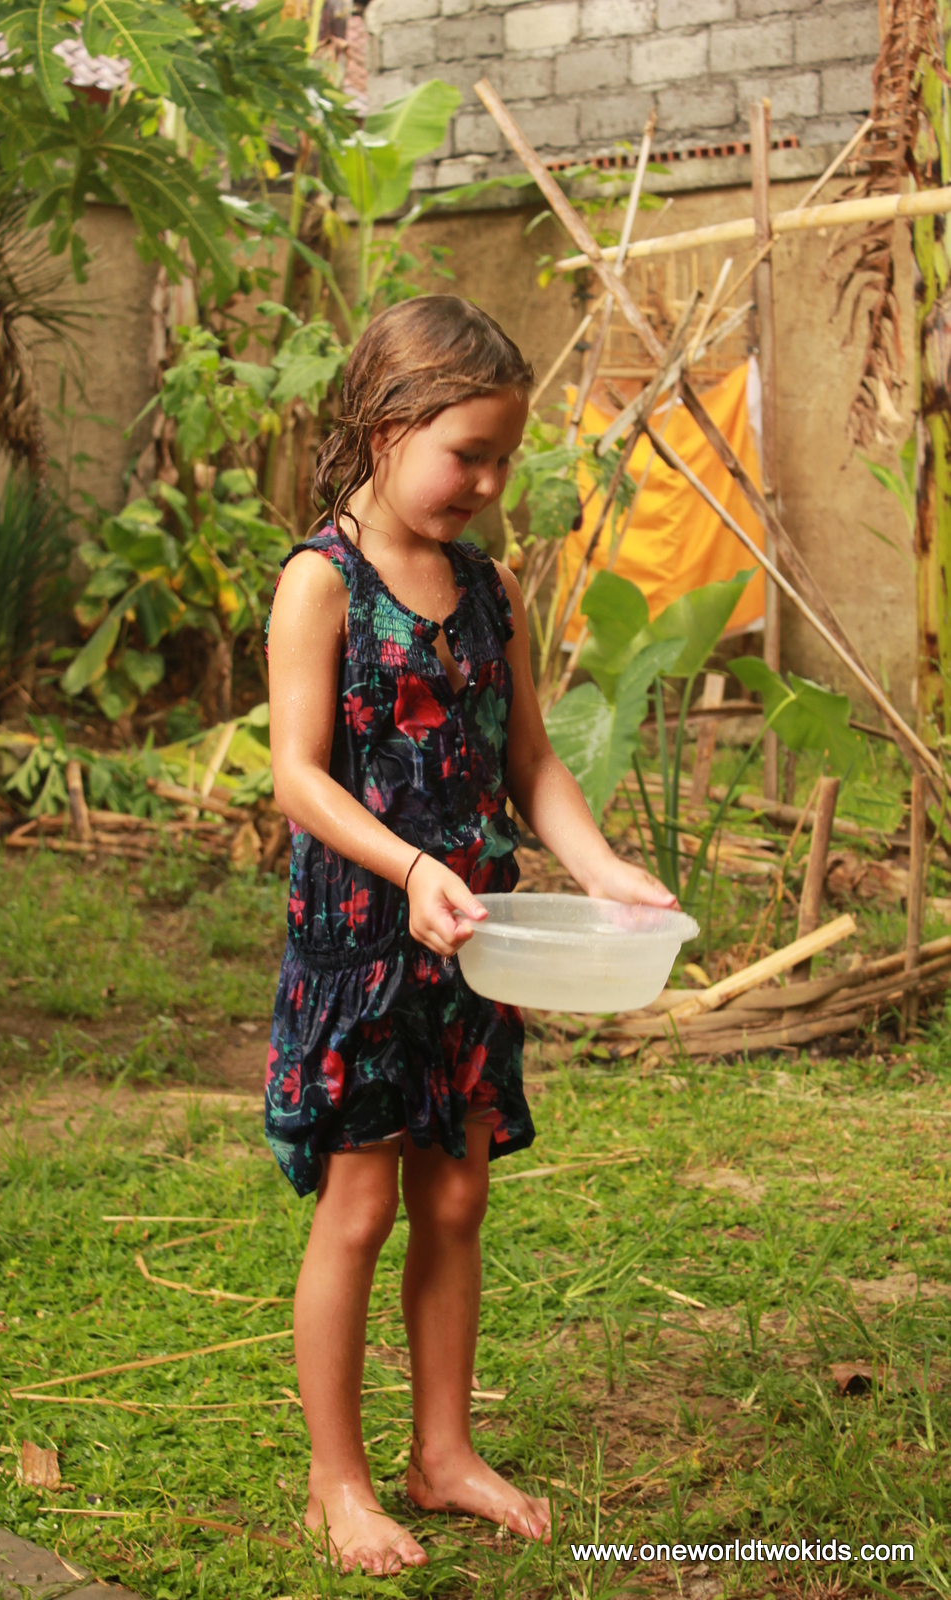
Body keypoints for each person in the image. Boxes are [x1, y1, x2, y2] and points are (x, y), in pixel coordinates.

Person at [265, 295, 676, 1574]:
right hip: (363, 943)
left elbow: (530, 762)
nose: (490, 485)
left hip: (474, 937)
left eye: (503, 458)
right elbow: (297, 774)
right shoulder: (322, 584)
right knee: (359, 1208)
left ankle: (441, 1452)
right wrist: (406, 868)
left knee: (457, 1194)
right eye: (468, 455)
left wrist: (602, 868)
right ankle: (338, 1480)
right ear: (386, 426)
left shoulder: (491, 592)